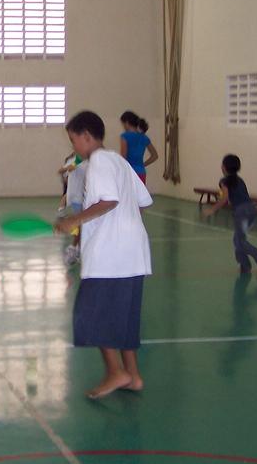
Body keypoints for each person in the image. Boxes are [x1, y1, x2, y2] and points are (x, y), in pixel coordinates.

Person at [55, 110, 152, 399]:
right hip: (134, 253)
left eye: (73, 140)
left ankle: (116, 372)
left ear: (86, 137)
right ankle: (133, 376)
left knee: (91, 315)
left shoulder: (97, 162)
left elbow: (110, 200)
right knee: (125, 318)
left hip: (111, 256)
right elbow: (143, 201)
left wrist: (74, 220)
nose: (73, 147)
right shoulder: (119, 162)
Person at [202, 154, 257, 274]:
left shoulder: (224, 181)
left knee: (240, 241)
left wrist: (212, 209)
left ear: (224, 167)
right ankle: (245, 267)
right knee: (238, 239)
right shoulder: (239, 180)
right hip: (251, 210)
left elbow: (224, 199)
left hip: (242, 212)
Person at [119, 111, 158, 184]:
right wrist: (143, 164)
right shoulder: (144, 138)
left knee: (128, 195)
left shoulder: (125, 136)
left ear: (127, 123)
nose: (123, 126)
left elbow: (123, 157)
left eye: (123, 124)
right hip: (141, 172)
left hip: (129, 173)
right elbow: (155, 156)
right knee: (140, 195)